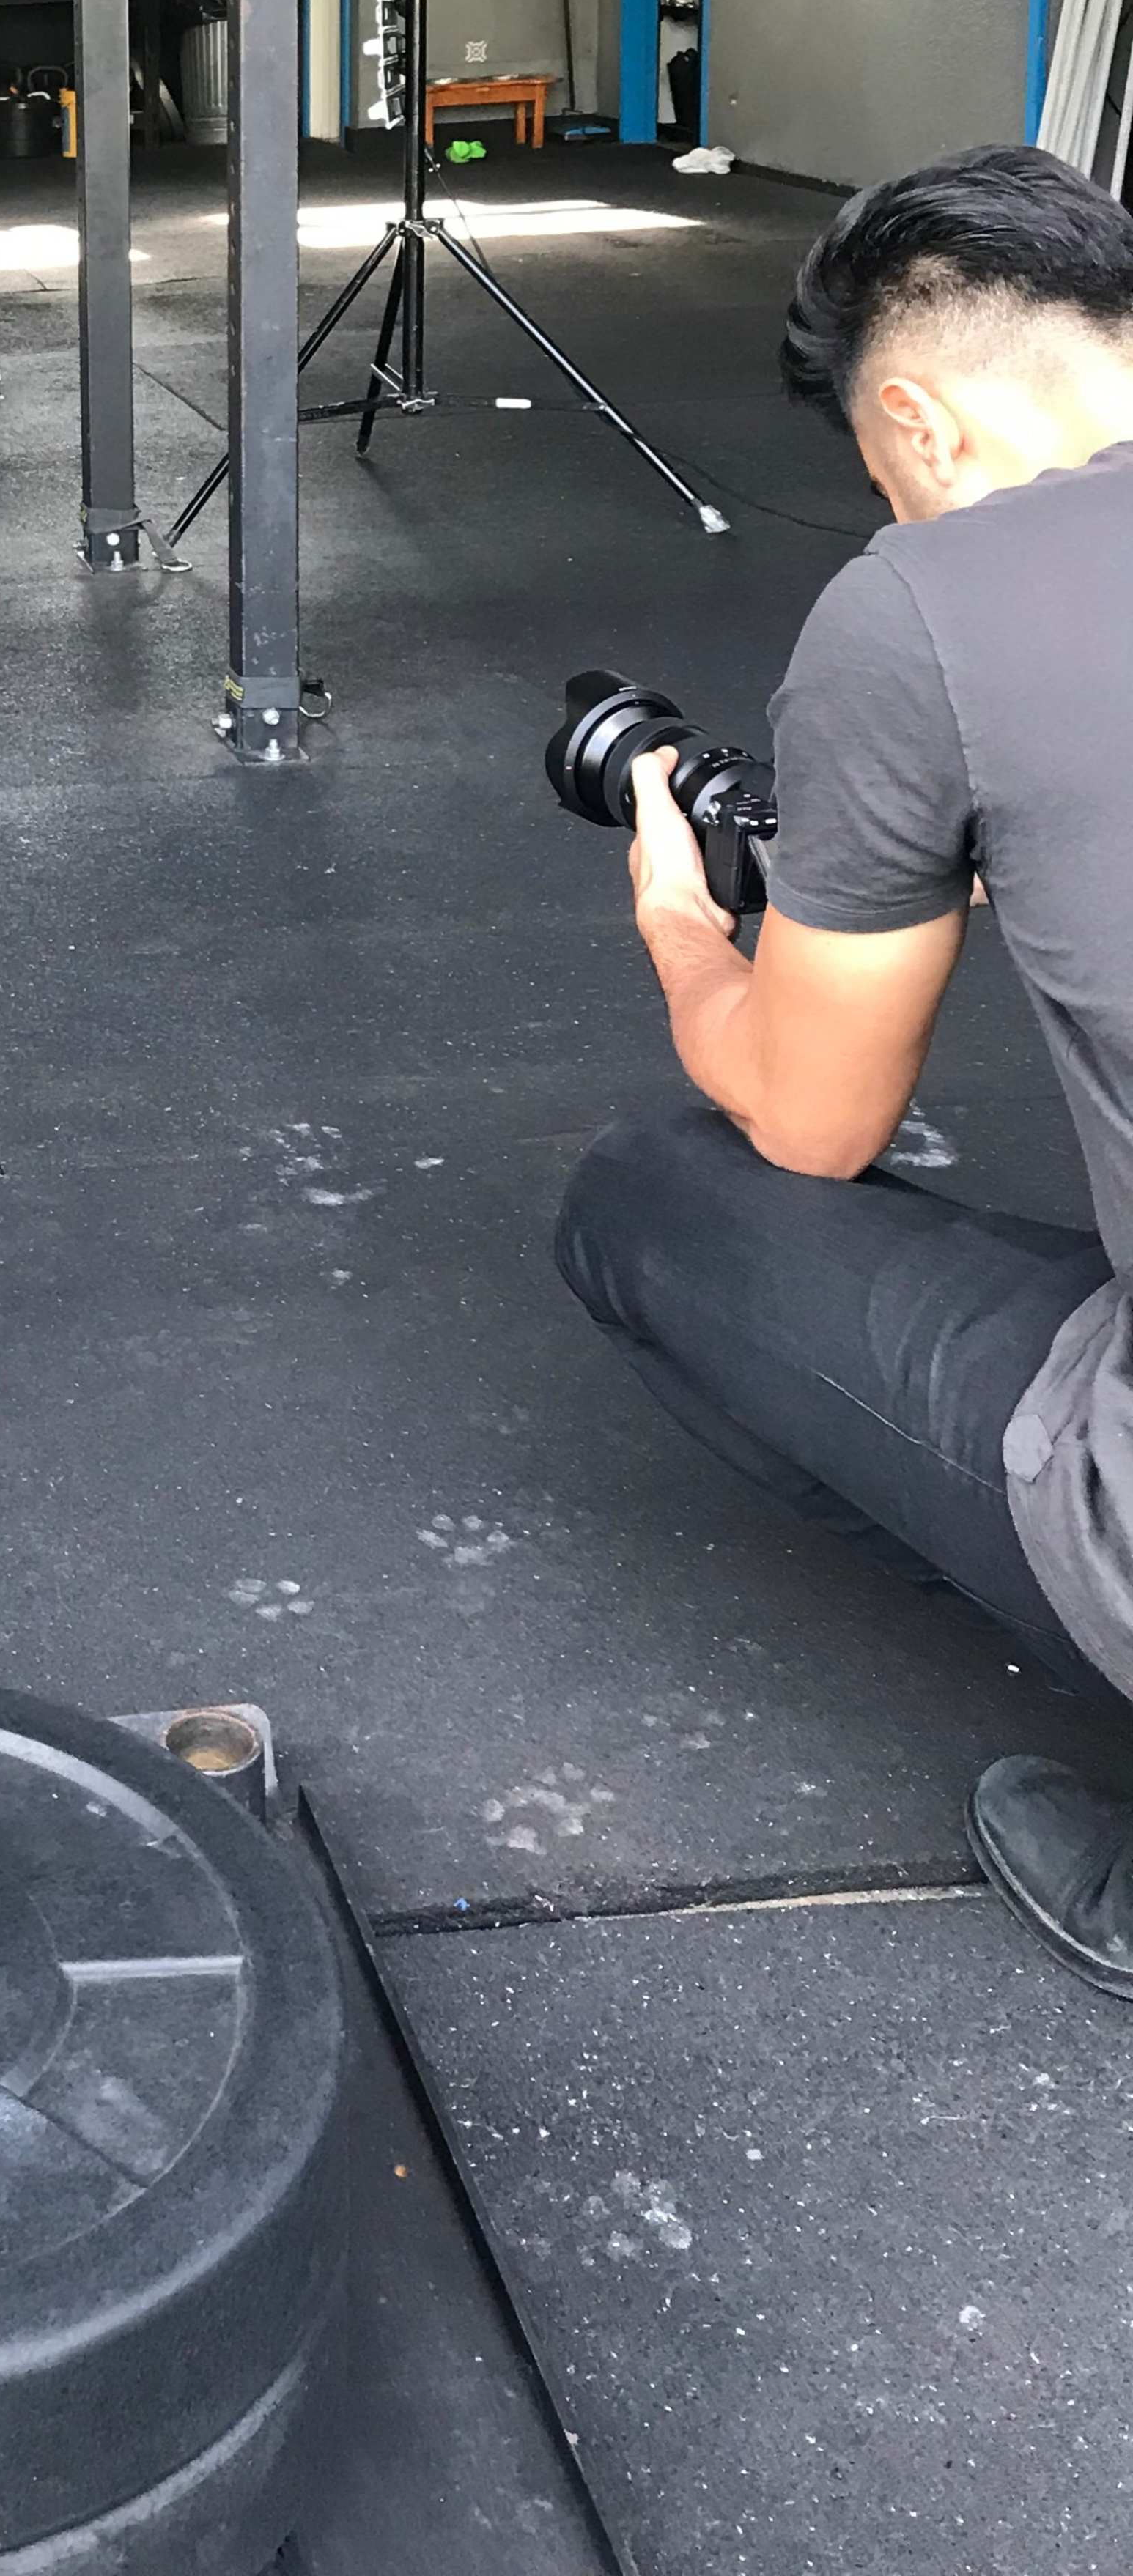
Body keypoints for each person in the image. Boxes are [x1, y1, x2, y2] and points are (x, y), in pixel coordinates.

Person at [558, 146, 1133, 1996]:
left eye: (889, 487)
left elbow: (812, 1118)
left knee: (653, 1199)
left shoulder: (934, 604)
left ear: (916, 422)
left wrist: (680, 917)